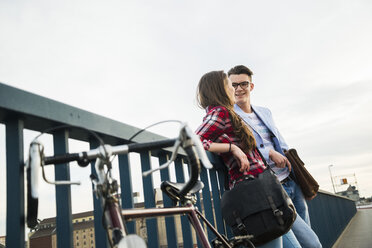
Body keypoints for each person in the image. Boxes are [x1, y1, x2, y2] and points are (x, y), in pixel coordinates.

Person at [228, 65, 322, 248]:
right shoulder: (229, 115)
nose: (239, 89)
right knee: (312, 244)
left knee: (305, 238)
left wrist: (296, 171)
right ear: (228, 88)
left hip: (290, 181)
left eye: (243, 84)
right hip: (271, 188)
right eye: (234, 85)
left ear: (251, 86)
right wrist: (268, 152)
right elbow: (236, 146)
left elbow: (281, 141)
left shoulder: (265, 112)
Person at [195, 70, 282, 248]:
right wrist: (231, 148)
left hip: (259, 187)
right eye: (229, 85)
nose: (233, 89)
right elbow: (193, 141)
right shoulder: (220, 112)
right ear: (220, 89)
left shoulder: (225, 112)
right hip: (255, 191)